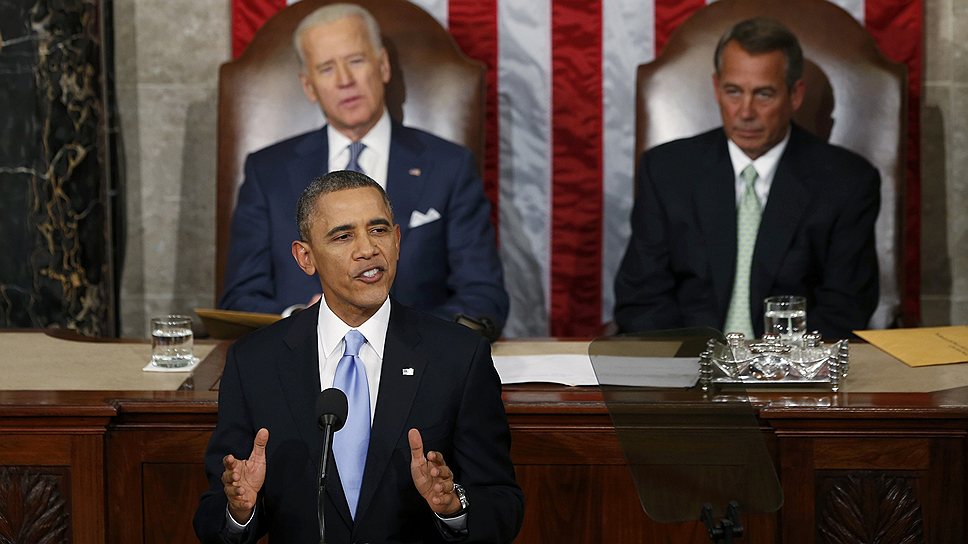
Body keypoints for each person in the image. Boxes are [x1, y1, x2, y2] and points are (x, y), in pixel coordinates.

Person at [194, 170, 524, 543]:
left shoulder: (459, 356)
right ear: (305, 257)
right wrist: (240, 510)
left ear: (397, 240)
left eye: (378, 230)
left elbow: (502, 504)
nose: (368, 249)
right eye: (344, 236)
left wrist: (453, 508)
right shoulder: (255, 361)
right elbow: (213, 517)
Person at [219, 3, 509, 337]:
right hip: (301, 357)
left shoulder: (449, 165)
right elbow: (239, 301)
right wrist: (303, 322)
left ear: (383, 66)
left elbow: (484, 298)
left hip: (415, 357)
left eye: (356, 61)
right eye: (327, 68)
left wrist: (395, 334)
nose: (345, 80)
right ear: (309, 86)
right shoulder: (268, 171)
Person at [614, 17, 879, 340]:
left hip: (793, 365)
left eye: (764, 94)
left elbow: (845, 309)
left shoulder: (847, 182)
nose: (745, 112)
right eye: (733, 92)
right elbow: (642, 297)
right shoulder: (666, 171)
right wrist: (690, 362)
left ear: (795, 95)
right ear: (716, 88)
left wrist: (770, 364)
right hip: (688, 362)